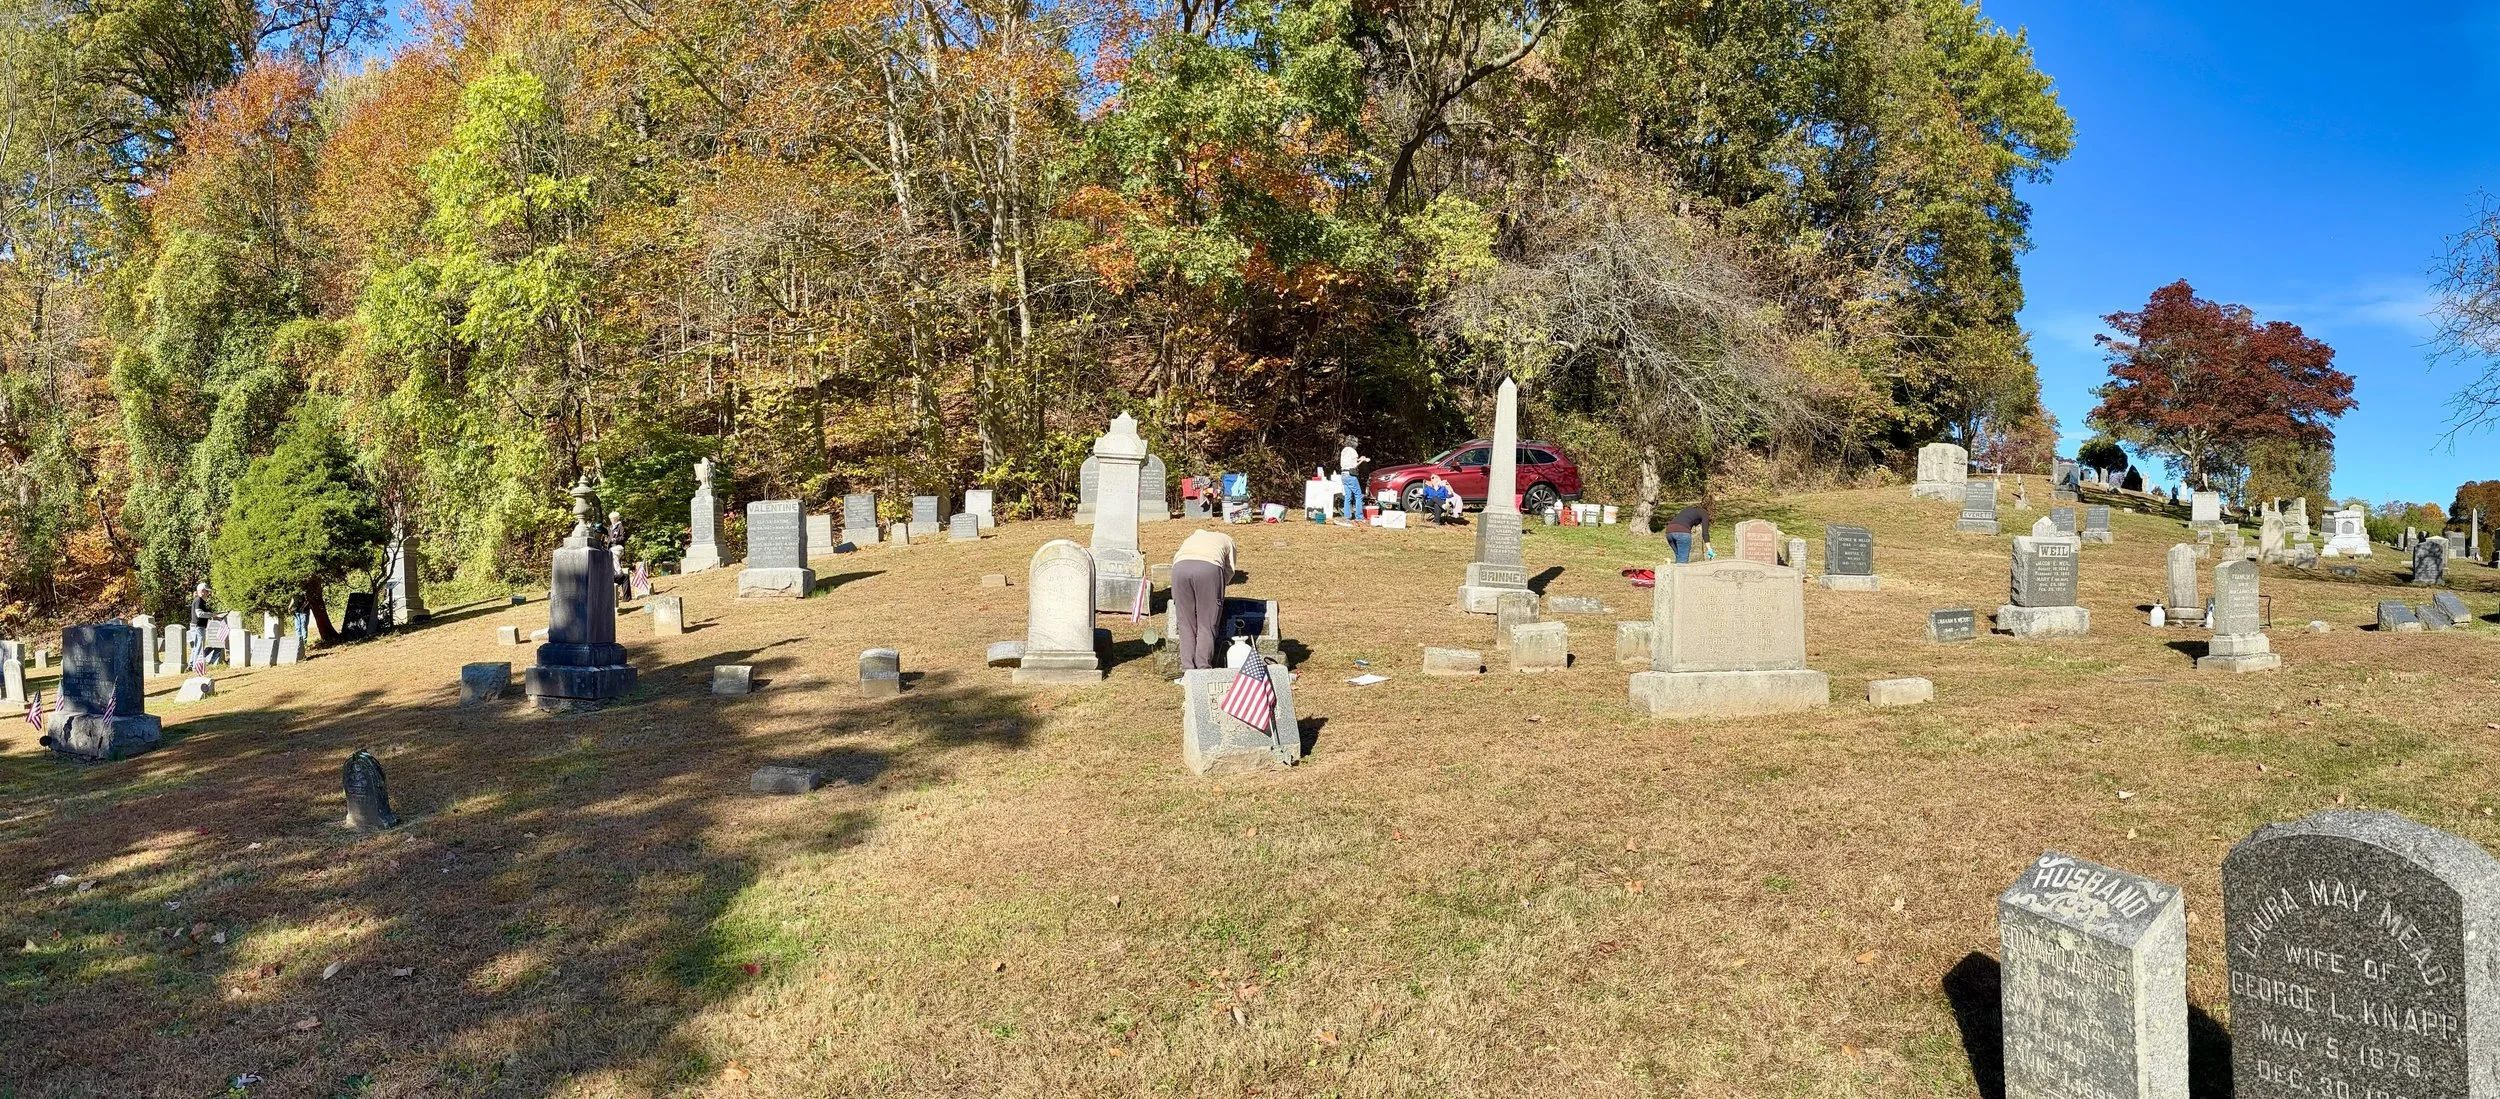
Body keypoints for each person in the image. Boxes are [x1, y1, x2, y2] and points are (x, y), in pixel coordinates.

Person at [1170, 527, 1239, 671]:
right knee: (1207, 623)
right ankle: (1203, 667)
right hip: (1209, 568)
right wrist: (1218, 589)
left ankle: (1187, 668)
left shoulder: (1190, 539)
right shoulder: (1227, 539)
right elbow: (1229, 570)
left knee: (1185, 623)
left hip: (1179, 568)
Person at [1662, 495, 1713, 564]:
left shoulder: (1690, 508)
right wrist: (1709, 549)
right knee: (1683, 561)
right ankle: (1681, 574)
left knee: (1679, 557)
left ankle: (1676, 573)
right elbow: (1705, 533)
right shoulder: (1704, 513)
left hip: (1669, 531)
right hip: (1682, 533)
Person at [189, 582, 222, 666]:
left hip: (199, 626)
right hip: (198, 627)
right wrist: (211, 615)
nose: (208, 593)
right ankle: (195, 666)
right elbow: (199, 614)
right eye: (207, 591)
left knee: (197, 646)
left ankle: (191, 664)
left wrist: (214, 616)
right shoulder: (198, 600)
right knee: (199, 646)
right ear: (202, 591)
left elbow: (203, 614)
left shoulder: (201, 601)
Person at [1337, 437, 1367, 522]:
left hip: (1343, 474)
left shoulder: (1344, 450)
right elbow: (1354, 465)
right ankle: (1359, 516)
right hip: (1351, 475)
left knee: (1347, 496)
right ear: (1354, 443)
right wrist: (1363, 460)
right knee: (1358, 495)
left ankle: (1347, 516)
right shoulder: (1353, 451)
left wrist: (1359, 459)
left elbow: (1348, 462)